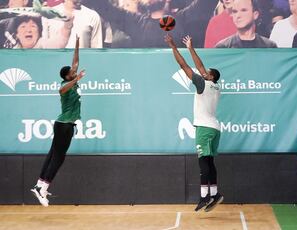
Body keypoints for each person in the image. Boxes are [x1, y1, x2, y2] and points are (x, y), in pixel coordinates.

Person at [165, 33, 223, 212]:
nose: (203, 72)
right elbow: (201, 67)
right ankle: (215, 194)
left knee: (203, 163)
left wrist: (174, 47)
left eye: (207, 73)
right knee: (210, 162)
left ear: (210, 77)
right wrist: (190, 47)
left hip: (204, 128)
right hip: (215, 128)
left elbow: (183, 65)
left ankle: (205, 196)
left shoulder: (203, 84)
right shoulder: (215, 86)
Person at [31, 36, 86, 207]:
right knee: (59, 157)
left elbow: (75, 62)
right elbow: (62, 89)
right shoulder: (65, 85)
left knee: (53, 153)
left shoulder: (72, 80)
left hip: (65, 125)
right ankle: (44, 188)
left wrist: (77, 44)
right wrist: (76, 79)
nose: (74, 71)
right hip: (64, 126)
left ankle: (39, 185)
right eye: (72, 72)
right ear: (67, 76)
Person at [83, 0, 218, 48]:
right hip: (146, 86)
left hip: (179, 89)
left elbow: (206, 3)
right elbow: (102, 5)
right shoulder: (134, 22)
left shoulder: (183, 19)